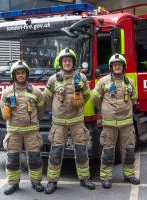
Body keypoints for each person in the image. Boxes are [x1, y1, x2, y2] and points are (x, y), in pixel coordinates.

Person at [43, 48, 95, 194]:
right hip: (58, 123)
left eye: (69, 60)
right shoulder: (53, 79)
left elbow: (86, 96)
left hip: (77, 121)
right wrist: (52, 109)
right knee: (55, 152)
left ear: (73, 62)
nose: (67, 63)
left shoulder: (81, 78)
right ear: (61, 62)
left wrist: (79, 105)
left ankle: (84, 178)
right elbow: (46, 97)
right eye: (65, 60)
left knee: (81, 150)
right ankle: (52, 181)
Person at [93, 53, 140, 189]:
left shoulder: (129, 82)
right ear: (111, 67)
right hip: (109, 123)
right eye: (115, 65)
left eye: (119, 65)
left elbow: (134, 98)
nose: (117, 67)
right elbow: (96, 98)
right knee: (108, 151)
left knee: (129, 150)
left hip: (126, 123)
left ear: (123, 67)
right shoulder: (103, 82)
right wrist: (105, 108)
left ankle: (129, 175)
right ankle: (106, 177)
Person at [0, 60, 45, 195]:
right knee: (12, 159)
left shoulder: (36, 92)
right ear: (14, 75)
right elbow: (4, 114)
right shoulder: (7, 93)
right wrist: (6, 109)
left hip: (31, 132)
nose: (21, 75)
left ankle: (36, 182)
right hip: (14, 132)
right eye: (18, 73)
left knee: (35, 158)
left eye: (23, 73)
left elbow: (41, 111)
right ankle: (13, 184)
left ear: (26, 74)